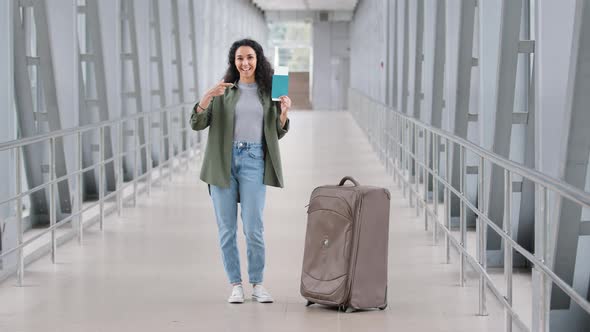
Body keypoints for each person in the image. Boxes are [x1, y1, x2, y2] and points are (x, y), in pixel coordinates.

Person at [190, 39, 291, 304]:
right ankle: (235, 284)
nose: (245, 63)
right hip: (223, 162)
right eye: (239, 59)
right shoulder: (224, 92)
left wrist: (283, 114)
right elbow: (197, 123)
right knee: (226, 229)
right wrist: (207, 97)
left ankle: (257, 283)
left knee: (254, 228)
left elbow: (276, 133)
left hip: (254, 159)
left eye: (249, 57)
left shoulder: (268, 92)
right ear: (233, 63)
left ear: (258, 60)